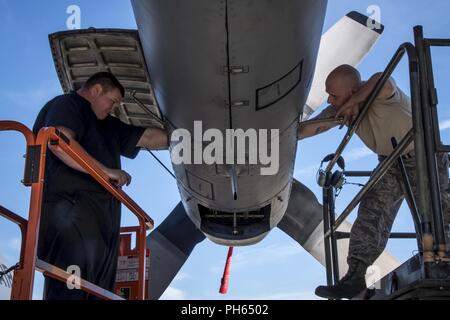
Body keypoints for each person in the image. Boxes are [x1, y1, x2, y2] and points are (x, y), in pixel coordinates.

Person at [298, 64, 450, 299]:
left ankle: (444, 260)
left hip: (420, 154)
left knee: (435, 216)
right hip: (390, 163)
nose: (329, 100)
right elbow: (308, 129)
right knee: (371, 213)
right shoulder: (342, 110)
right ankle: (355, 276)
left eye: (334, 95)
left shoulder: (381, 91)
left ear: (353, 90)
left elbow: (383, 79)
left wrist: (354, 102)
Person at [33, 72, 168, 299]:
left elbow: (149, 138)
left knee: (98, 292)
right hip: (69, 217)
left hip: (102, 228)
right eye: (113, 101)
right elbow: (59, 142)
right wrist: (105, 172)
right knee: (70, 289)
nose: (113, 107)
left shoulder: (109, 126)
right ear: (96, 90)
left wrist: (190, 135)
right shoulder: (68, 104)